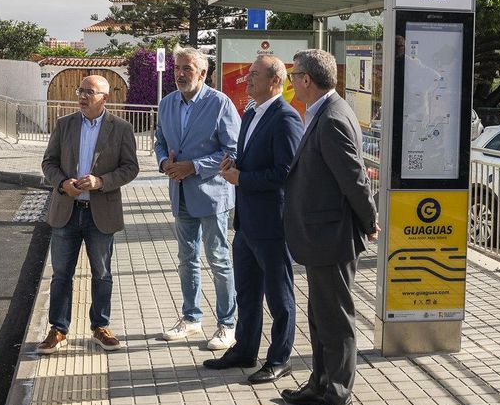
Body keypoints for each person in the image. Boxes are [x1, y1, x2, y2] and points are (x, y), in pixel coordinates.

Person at [281, 49, 379, 405]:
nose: (292, 82)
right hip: (320, 234)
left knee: (336, 320)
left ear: (307, 79)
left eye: (294, 76)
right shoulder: (322, 111)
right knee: (321, 315)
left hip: (332, 235)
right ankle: (320, 385)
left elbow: (353, 178)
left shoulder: (333, 117)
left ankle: (339, 400)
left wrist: (369, 221)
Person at [204, 55, 303, 383]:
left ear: (275, 81)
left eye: (254, 75)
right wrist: (236, 164)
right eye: (247, 74)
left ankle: (279, 358)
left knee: (279, 296)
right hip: (246, 223)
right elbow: (253, 159)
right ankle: (245, 349)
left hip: (272, 225)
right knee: (246, 292)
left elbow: (285, 173)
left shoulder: (286, 118)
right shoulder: (251, 111)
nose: (247, 80)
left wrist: (241, 179)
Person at [38, 75, 139, 354]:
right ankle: (58, 330)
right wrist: (62, 183)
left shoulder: (120, 128)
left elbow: (130, 168)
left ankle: (100, 327)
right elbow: (49, 162)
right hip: (66, 213)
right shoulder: (64, 124)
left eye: (89, 92)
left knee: (102, 273)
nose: (82, 96)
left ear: (104, 98)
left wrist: (101, 182)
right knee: (61, 275)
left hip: (100, 214)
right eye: (80, 90)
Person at [155, 45, 240, 350]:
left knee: (218, 259)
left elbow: (232, 150)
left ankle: (227, 324)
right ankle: (191, 319)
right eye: (177, 68)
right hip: (179, 193)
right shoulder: (167, 104)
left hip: (211, 194)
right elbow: (160, 141)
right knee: (186, 259)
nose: (179, 74)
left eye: (187, 68)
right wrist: (164, 162)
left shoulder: (220, 103)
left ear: (203, 73)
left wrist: (194, 166)